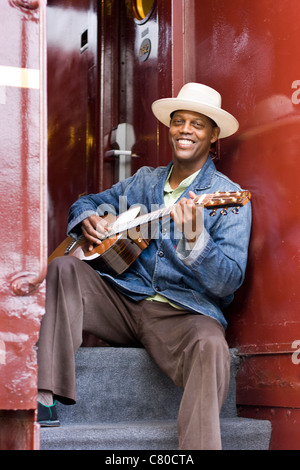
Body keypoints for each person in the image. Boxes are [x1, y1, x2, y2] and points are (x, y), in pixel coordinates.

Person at [37, 83, 252, 450]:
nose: (185, 130)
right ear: (169, 128)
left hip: (181, 316)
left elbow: (227, 282)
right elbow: (87, 201)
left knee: (212, 344)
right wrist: (89, 217)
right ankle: (44, 397)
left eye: (197, 124)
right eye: (179, 121)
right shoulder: (145, 181)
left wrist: (195, 240)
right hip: (123, 302)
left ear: (213, 134)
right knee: (63, 268)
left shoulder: (228, 198)